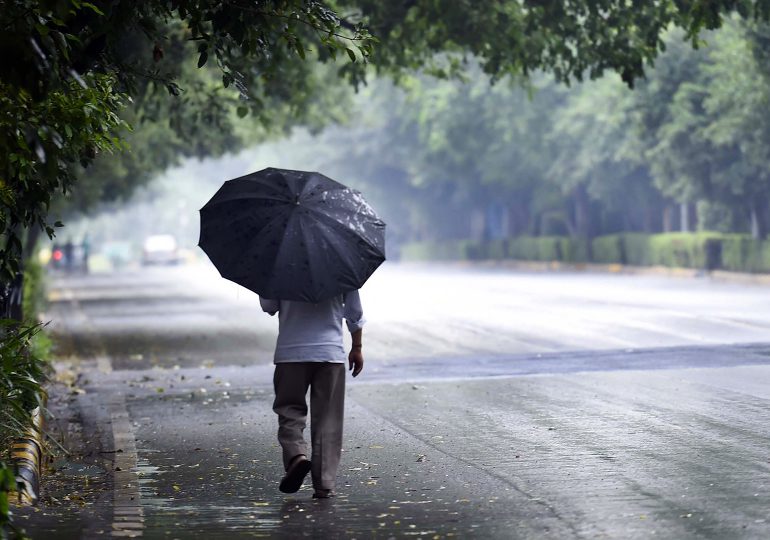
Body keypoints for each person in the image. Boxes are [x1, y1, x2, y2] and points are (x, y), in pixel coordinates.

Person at [260, 290, 365, 499]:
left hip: (290, 353)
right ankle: (324, 484)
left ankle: (296, 456)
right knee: (328, 420)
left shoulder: (279, 271)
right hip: (330, 354)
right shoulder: (342, 271)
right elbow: (355, 314)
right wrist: (357, 347)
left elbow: (269, 306)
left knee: (289, 411)